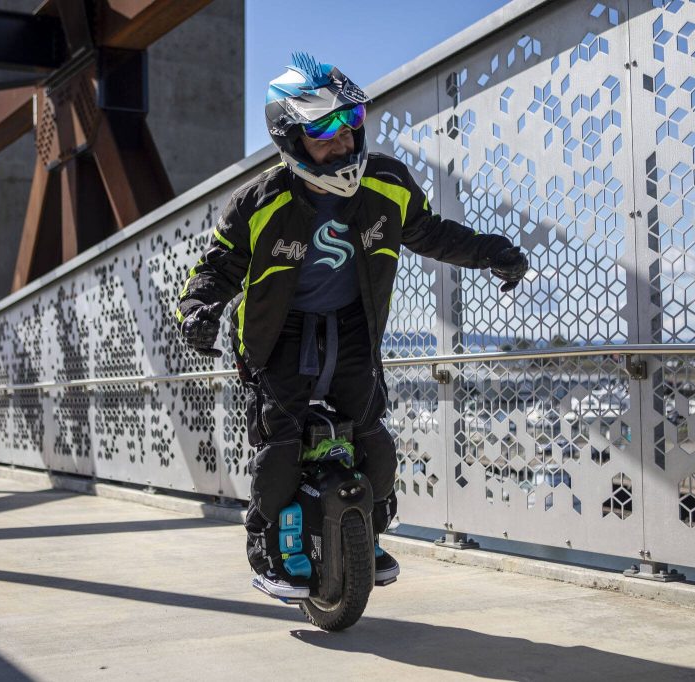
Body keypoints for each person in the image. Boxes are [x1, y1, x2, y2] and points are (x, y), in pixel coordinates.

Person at [176, 53, 529, 599]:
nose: (342, 143)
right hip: (277, 334)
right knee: (282, 441)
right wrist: (198, 312)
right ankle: (266, 543)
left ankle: (370, 532)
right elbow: (217, 268)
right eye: (324, 131)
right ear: (291, 139)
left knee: (373, 437)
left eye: (351, 124)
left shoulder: (387, 183)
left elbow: (431, 232)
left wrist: (492, 253)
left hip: (353, 328)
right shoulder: (258, 202)